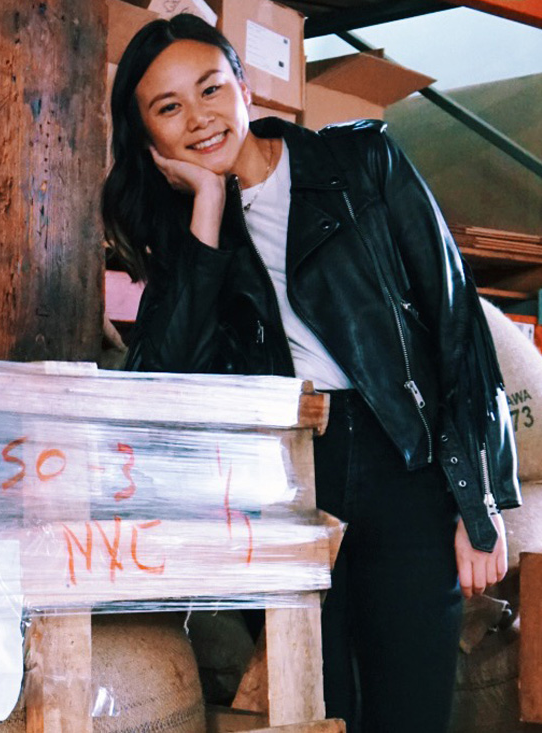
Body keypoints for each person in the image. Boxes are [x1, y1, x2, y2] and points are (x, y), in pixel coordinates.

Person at [103, 14, 521, 733]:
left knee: (412, 708)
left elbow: (456, 327)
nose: (198, 117)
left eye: (210, 88)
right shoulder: (185, 234)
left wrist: (477, 501)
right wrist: (208, 206)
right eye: (169, 107)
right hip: (282, 484)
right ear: (148, 136)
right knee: (319, 711)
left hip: (402, 461)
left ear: (245, 87)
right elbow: (165, 388)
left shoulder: (362, 164)